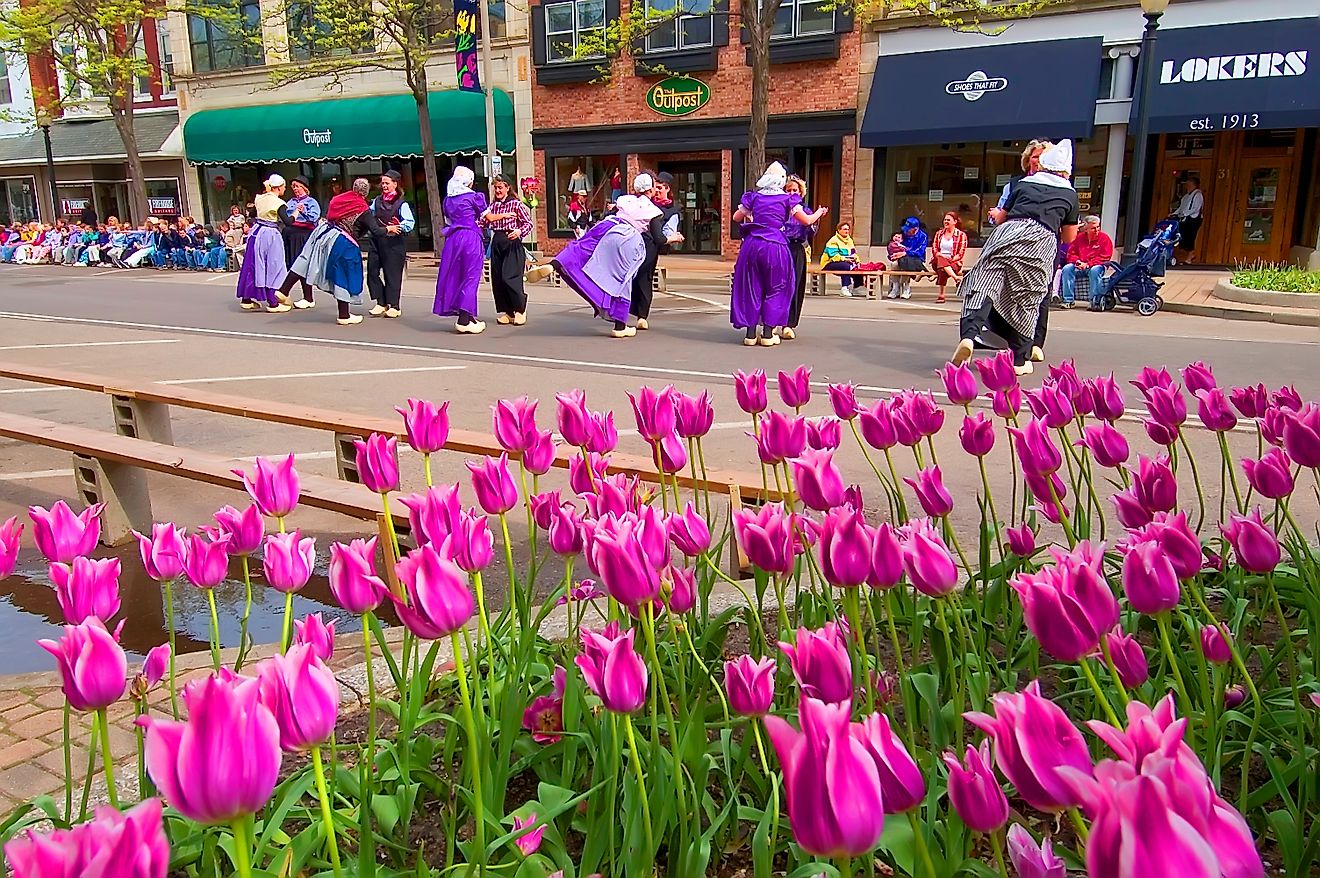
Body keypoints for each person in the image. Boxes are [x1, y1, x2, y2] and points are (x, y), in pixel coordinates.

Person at [953, 140, 1079, 376]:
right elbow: (1069, 236)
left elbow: (1001, 218)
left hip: (1007, 233)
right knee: (1028, 295)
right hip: (1041, 240)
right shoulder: (1069, 194)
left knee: (984, 283)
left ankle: (969, 336)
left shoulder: (1023, 184)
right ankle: (1020, 358)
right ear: (1064, 172)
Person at [731, 161, 828, 347]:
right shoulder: (787, 199)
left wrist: (753, 215)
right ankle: (768, 333)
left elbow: (736, 217)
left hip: (752, 244)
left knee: (752, 286)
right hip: (775, 245)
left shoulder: (754, 197)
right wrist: (819, 213)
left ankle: (750, 334)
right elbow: (806, 221)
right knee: (777, 287)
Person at [540, 194, 659, 338]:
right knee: (622, 280)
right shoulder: (652, 209)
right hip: (629, 235)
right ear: (651, 189)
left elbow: (612, 211)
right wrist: (673, 238)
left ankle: (556, 263)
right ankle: (620, 325)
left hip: (609, 224)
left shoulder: (626, 200)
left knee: (581, 247)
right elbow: (659, 237)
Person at [279, 178, 379, 326]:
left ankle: (284, 289)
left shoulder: (339, 199)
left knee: (306, 258)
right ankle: (344, 315)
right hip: (345, 241)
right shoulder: (363, 208)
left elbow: (330, 215)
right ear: (365, 192)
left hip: (326, 233)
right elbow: (375, 230)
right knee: (344, 274)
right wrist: (390, 229)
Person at [433, 166, 492, 334]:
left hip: (453, 239)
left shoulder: (448, 200)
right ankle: (464, 320)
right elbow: (489, 218)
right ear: (469, 181)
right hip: (471, 237)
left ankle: (469, 316)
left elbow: (449, 221)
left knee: (455, 275)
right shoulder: (474, 197)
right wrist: (506, 215)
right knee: (471, 277)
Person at [483, 175, 535, 326]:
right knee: (498, 279)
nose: (498, 190)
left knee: (510, 277)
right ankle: (508, 312)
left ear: (507, 188)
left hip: (512, 242)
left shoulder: (516, 204)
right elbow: (484, 221)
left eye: (500, 187)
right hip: (497, 241)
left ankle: (520, 309)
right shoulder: (492, 206)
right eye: (496, 188)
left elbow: (528, 223)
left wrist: (519, 232)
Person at [235, 174, 292, 312]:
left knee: (252, 263)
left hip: (255, 232)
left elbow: (253, 214)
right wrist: (296, 212)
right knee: (274, 265)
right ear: (278, 187)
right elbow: (288, 222)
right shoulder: (278, 203)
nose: (285, 189)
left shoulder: (259, 198)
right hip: (270, 233)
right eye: (284, 186)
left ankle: (246, 299)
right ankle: (272, 302)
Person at [366, 170, 413, 318]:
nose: (384, 185)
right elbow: (368, 215)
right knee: (372, 272)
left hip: (394, 243)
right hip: (376, 240)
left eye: (387, 183)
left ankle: (394, 306)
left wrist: (398, 227)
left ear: (395, 184)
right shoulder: (377, 201)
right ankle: (381, 302)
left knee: (392, 275)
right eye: (383, 183)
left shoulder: (401, 204)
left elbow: (409, 223)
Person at [781, 174, 817, 340]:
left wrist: (814, 220)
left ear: (801, 192)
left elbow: (811, 230)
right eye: (788, 190)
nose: (791, 193)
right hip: (780, 248)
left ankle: (789, 324)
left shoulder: (805, 210)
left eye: (795, 190)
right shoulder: (779, 209)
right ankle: (773, 322)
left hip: (796, 249)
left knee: (795, 287)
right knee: (778, 286)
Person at [280, 176, 321, 308]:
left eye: (297, 186)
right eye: (293, 186)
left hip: (303, 234)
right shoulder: (290, 202)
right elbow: (285, 216)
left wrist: (303, 212)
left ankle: (307, 297)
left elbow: (314, 218)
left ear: (304, 187)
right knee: (291, 264)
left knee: (302, 265)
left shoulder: (311, 202)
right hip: (290, 233)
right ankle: (290, 295)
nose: (295, 189)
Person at [1061, 215, 1113, 310]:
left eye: (1098, 227)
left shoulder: (1105, 238)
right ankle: (1068, 301)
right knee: (1067, 268)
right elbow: (1071, 254)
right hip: (1080, 266)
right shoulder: (1079, 238)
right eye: (1093, 228)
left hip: (1096, 266)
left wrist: (1088, 264)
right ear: (1086, 229)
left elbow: (1105, 257)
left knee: (1095, 270)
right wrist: (1077, 262)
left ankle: (1094, 301)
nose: (1096, 230)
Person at [930, 211, 967, 304]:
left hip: (954, 262)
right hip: (938, 260)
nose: (946, 222)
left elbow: (960, 253)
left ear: (955, 222)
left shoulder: (961, 235)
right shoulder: (939, 234)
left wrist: (949, 260)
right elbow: (935, 250)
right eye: (945, 220)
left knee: (942, 269)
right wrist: (942, 257)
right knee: (940, 259)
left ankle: (941, 295)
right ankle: (955, 278)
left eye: (948, 220)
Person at [888, 216, 928, 300]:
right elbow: (897, 246)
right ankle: (896, 287)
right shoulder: (904, 234)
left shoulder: (923, 236)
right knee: (894, 264)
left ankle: (906, 287)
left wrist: (905, 253)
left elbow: (919, 252)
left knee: (906, 263)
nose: (906, 231)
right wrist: (894, 254)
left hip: (916, 259)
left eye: (908, 229)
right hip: (902, 258)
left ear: (915, 229)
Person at [819, 222, 859, 296]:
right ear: (839, 230)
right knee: (845, 266)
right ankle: (845, 287)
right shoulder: (833, 240)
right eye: (844, 229)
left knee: (857, 266)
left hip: (845, 261)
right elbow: (833, 255)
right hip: (829, 263)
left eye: (848, 229)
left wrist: (856, 259)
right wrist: (844, 259)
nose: (846, 231)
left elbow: (853, 253)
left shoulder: (849, 240)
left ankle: (857, 287)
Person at [1173, 176, 1203, 264]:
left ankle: (1190, 256)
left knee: (1190, 237)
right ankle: (1185, 254)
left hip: (1193, 220)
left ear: (1194, 185)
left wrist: (1185, 214)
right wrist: (1174, 213)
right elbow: (1182, 207)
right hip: (1184, 219)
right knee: (1182, 236)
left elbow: (1196, 208)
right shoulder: (1186, 196)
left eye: (1189, 184)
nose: (1187, 186)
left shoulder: (1198, 195)